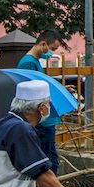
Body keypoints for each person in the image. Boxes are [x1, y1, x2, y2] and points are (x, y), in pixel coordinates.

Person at [17, 29, 63, 175]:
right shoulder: (28, 64)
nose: (52, 52)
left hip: (45, 118)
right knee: (46, 162)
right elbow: (31, 94)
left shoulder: (34, 62)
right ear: (43, 44)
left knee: (51, 159)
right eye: (53, 49)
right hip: (41, 121)